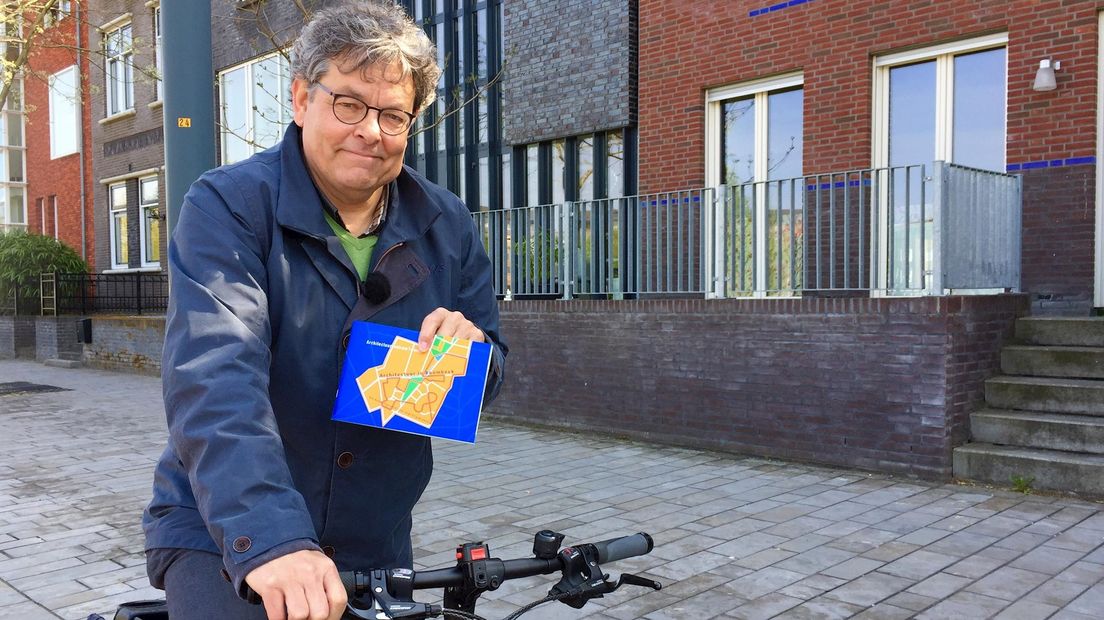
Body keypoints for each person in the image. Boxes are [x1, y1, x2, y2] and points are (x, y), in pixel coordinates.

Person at [142, 3, 507, 619]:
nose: (372, 130)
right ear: (301, 98)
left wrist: (467, 358)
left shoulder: (447, 223)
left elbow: (490, 374)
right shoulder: (229, 206)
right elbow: (215, 378)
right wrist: (273, 538)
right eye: (350, 104)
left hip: (375, 539)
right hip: (229, 529)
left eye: (394, 114)